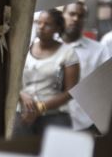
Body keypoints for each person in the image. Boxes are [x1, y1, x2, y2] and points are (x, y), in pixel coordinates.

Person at [13, 8, 80, 137]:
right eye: (39, 22)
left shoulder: (68, 53)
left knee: (57, 146)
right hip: (22, 111)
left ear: (57, 28)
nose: (41, 27)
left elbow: (71, 91)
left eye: (47, 24)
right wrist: (22, 95)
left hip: (53, 114)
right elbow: (12, 79)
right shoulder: (25, 47)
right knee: (15, 144)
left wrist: (41, 108)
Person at [62, 1, 111, 133]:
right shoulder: (47, 46)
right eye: (72, 14)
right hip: (48, 119)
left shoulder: (99, 51)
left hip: (84, 123)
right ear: (62, 16)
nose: (75, 19)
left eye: (81, 16)